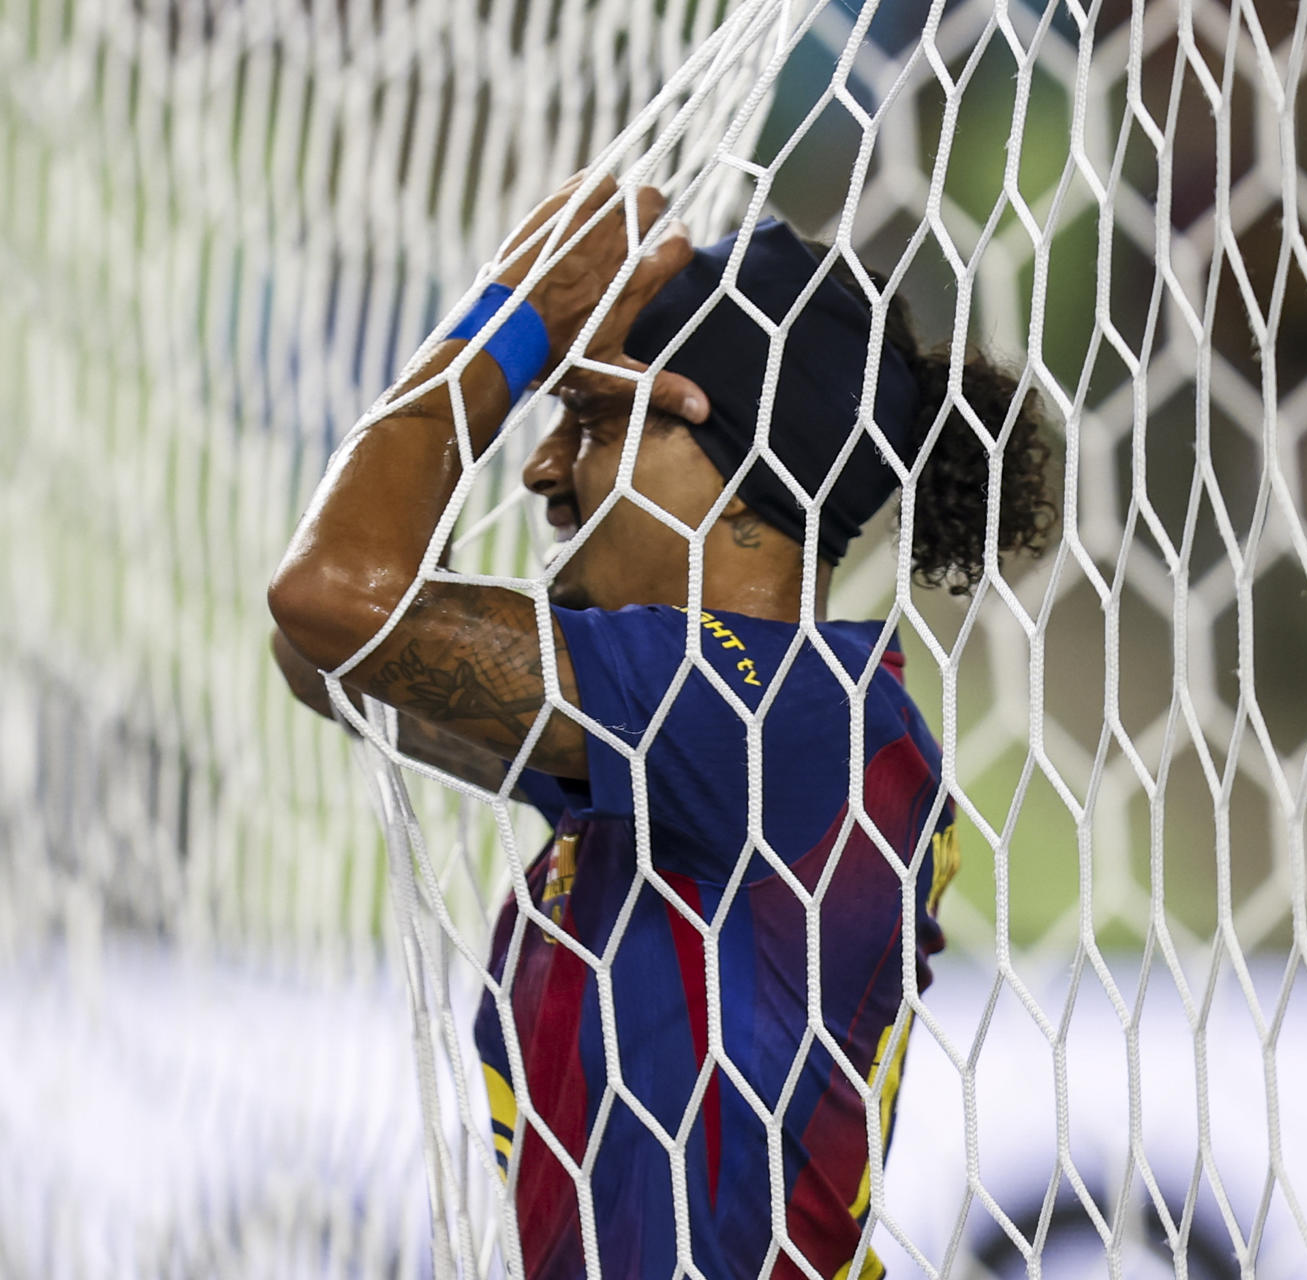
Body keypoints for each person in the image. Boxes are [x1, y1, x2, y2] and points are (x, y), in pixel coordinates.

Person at [267, 174, 1054, 1279]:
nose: (542, 469)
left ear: (736, 476)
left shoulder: (770, 713)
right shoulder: (691, 738)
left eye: (591, 423)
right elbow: (326, 656)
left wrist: (510, 324)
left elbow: (332, 600)